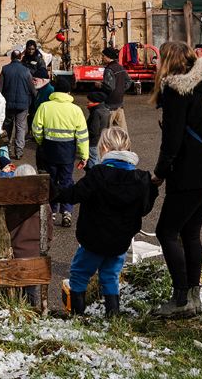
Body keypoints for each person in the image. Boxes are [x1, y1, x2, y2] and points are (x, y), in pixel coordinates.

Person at [150, 41, 202, 319]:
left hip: (189, 173)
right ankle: (193, 297)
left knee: (166, 232)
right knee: (190, 232)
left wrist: (159, 173)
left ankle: (181, 297)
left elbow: (172, 140)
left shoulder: (176, 90)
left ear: (167, 62)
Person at [51, 127, 158, 317]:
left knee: (79, 274)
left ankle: (78, 316)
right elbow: (145, 209)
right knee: (110, 276)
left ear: (105, 148)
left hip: (94, 238)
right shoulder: (141, 178)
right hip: (120, 241)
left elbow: (74, 195)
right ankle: (113, 315)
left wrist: (52, 189)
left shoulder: (98, 174)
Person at [31, 75, 89, 227]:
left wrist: (41, 141)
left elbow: (36, 129)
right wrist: (84, 156)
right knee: (66, 181)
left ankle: (52, 212)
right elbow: (82, 136)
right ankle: (67, 212)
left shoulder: (45, 107)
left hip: (49, 150)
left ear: (55, 91)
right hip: (67, 152)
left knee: (51, 181)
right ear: (69, 92)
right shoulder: (76, 110)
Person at [9, 163, 47, 307]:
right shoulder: (43, 203)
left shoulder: (9, 202)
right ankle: (31, 312)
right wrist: (44, 246)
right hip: (35, 251)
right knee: (31, 290)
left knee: (12, 289)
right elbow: (48, 229)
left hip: (14, 251)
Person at [0, 48, 36, 160]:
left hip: (8, 104)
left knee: (7, 126)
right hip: (23, 105)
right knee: (20, 128)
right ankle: (19, 152)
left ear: (11, 58)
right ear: (20, 57)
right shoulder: (26, 71)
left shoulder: (5, 69)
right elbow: (32, 89)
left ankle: (6, 149)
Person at [100, 46, 130, 130]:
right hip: (120, 104)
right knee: (122, 131)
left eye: (103, 56)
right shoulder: (121, 67)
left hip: (110, 105)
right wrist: (120, 90)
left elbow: (109, 87)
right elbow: (129, 81)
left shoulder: (109, 69)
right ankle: (125, 143)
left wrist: (99, 85)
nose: (102, 58)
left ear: (108, 57)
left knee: (106, 132)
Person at [85, 90, 111, 167]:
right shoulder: (106, 110)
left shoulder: (96, 112)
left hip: (93, 142)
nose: (87, 103)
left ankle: (93, 176)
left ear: (95, 102)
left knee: (93, 161)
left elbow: (94, 130)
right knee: (99, 160)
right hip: (102, 141)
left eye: (89, 101)